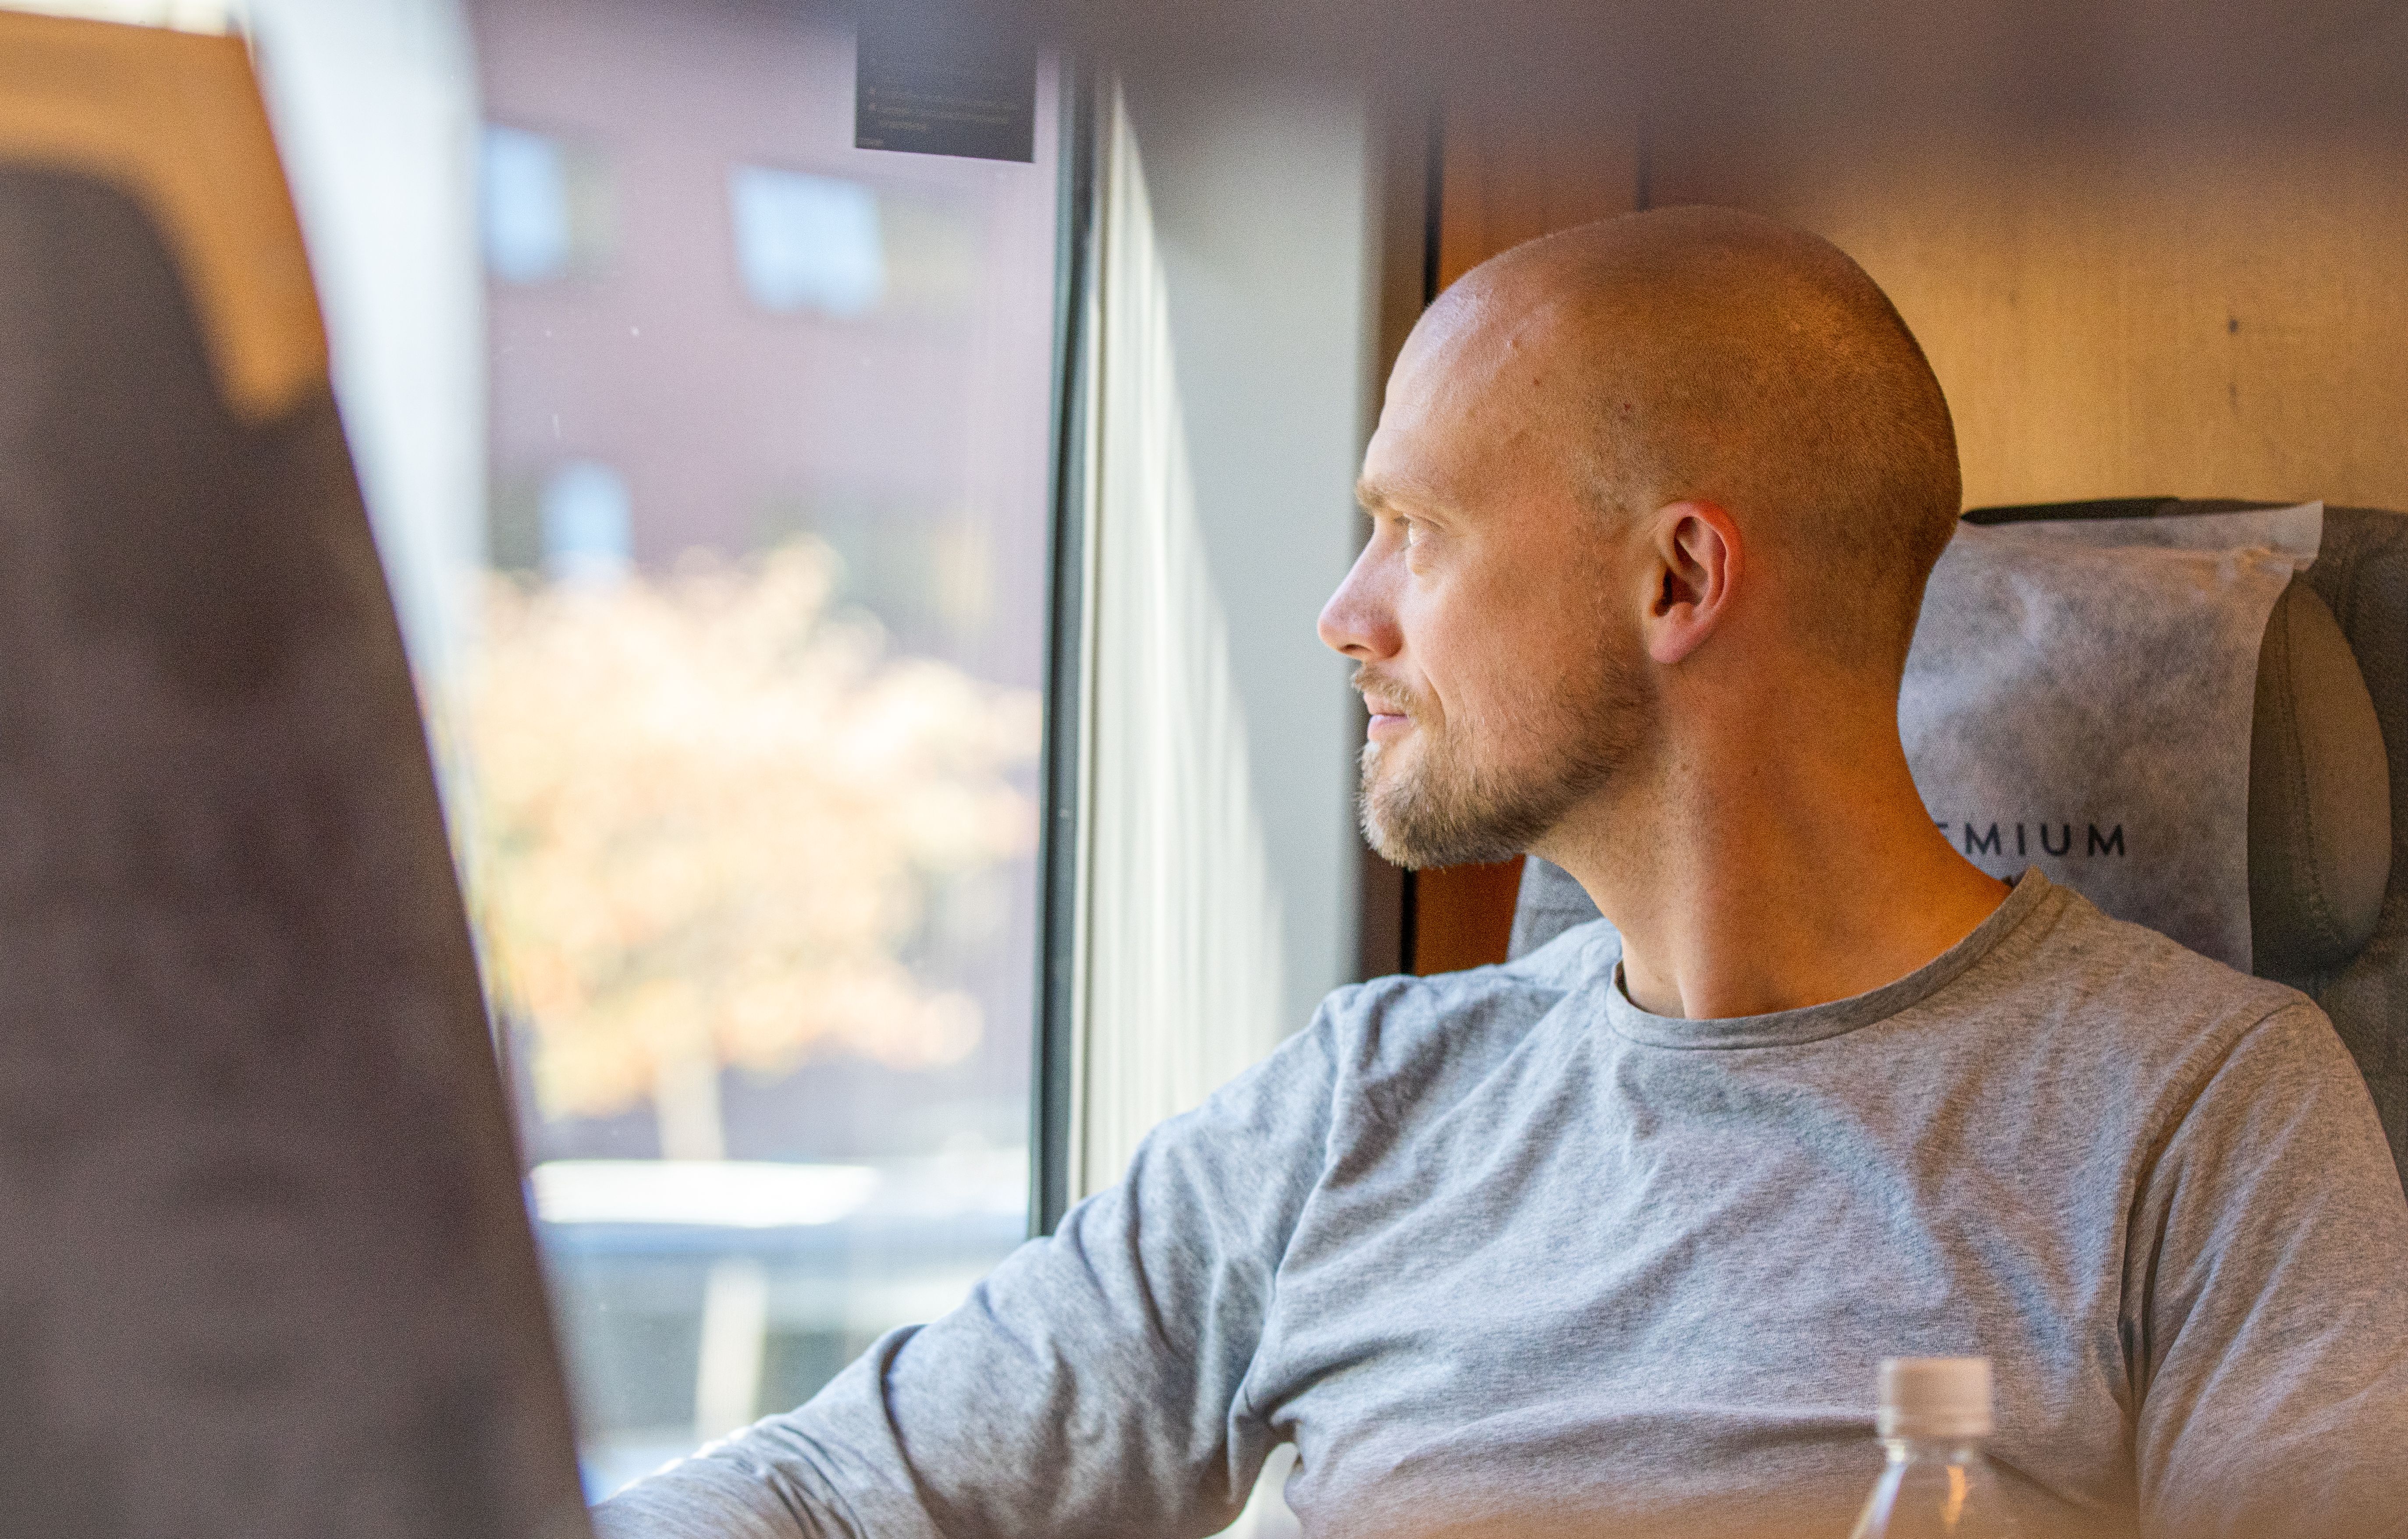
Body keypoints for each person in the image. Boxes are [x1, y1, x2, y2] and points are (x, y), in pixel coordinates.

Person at [593, 208, 2408, 1539]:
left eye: (1415, 530)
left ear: (1678, 583)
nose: (1343, 612)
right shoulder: (1360, 1104)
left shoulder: (2208, 1123)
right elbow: (835, 1492)